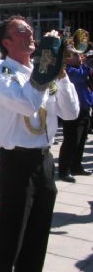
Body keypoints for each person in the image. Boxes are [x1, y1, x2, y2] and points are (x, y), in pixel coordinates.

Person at [0, 16, 79, 272]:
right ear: (7, 42)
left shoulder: (43, 71)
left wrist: (60, 73)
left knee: (37, 238)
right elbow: (27, 105)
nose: (30, 34)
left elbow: (71, 112)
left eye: (30, 29)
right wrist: (45, 67)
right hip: (17, 163)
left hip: (43, 160)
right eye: (21, 31)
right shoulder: (1, 72)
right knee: (10, 240)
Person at [58, 49, 93, 182]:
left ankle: (76, 166)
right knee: (71, 142)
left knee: (81, 141)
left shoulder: (82, 67)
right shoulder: (67, 70)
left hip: (85, 109)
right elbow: (79, 76)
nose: (80, 56)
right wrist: (86, 69)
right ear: (67, 58)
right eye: (76, 55)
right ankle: (64, 170)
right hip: (73, 112)